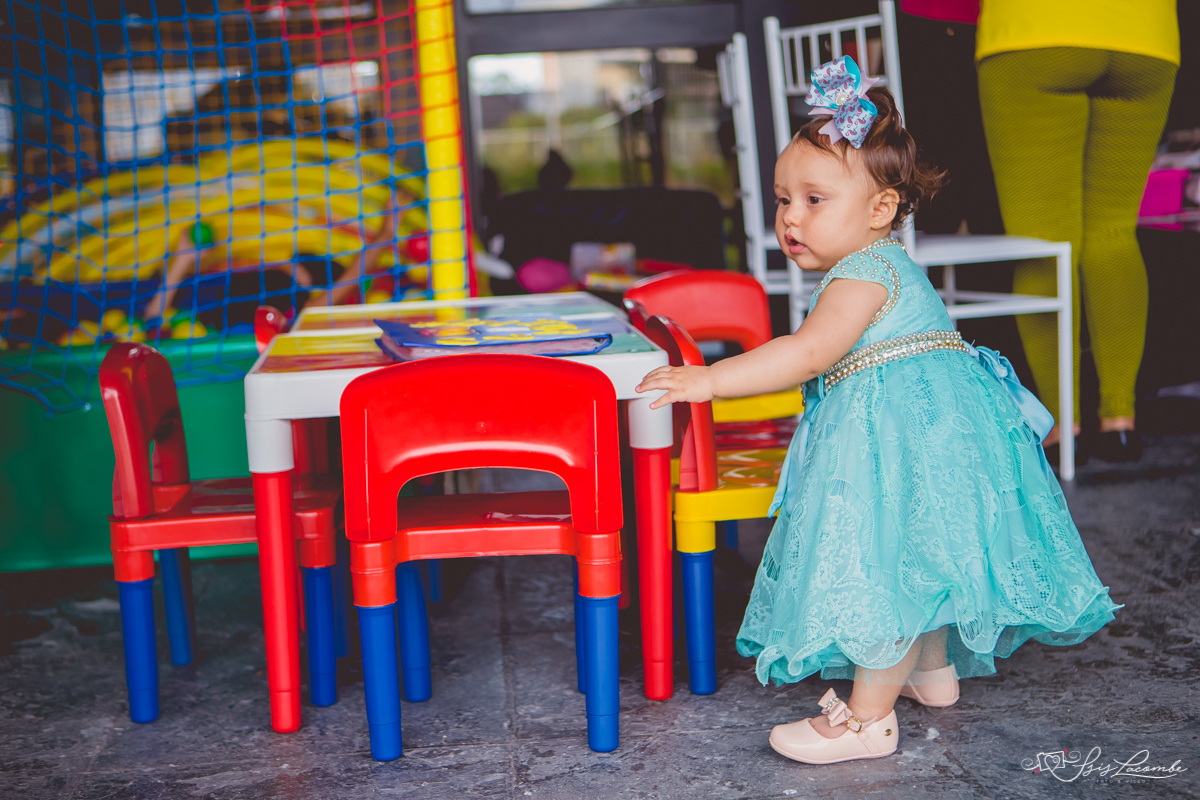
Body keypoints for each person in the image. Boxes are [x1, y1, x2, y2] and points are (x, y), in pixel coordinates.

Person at [635, 56, 1121, 765]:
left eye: (814, 200)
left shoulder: (860, 274)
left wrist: (707, 379)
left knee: (887, 563)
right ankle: (932, 671)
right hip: (937, 427)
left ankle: (868, 721)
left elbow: (807, 353)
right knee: (925, 553)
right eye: (783, 199)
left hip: (899, 433)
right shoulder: (885, 263)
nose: (790, 217)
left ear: (880, 210)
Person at [976, 0, 1180, 463]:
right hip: (1146, 36)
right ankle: (1120, 423)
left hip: (1035, 29)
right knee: (1114, 232)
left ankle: (1062, 429)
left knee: (1045, 244)